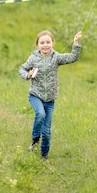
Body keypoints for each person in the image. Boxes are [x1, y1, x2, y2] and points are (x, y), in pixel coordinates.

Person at [18, 30, 83, 162]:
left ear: (52, 43)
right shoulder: (33, 58)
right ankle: (35, 139)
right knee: (40, 114)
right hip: (35, 95)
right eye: (42, 43)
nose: (45, 45)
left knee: (47, 132)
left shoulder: (56, 57)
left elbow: (72, 57)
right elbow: (22, 69)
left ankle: (44, 155)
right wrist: (28, 75)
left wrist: (75, 43)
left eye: (48, 42)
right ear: (37, 45)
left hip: (50, 100)